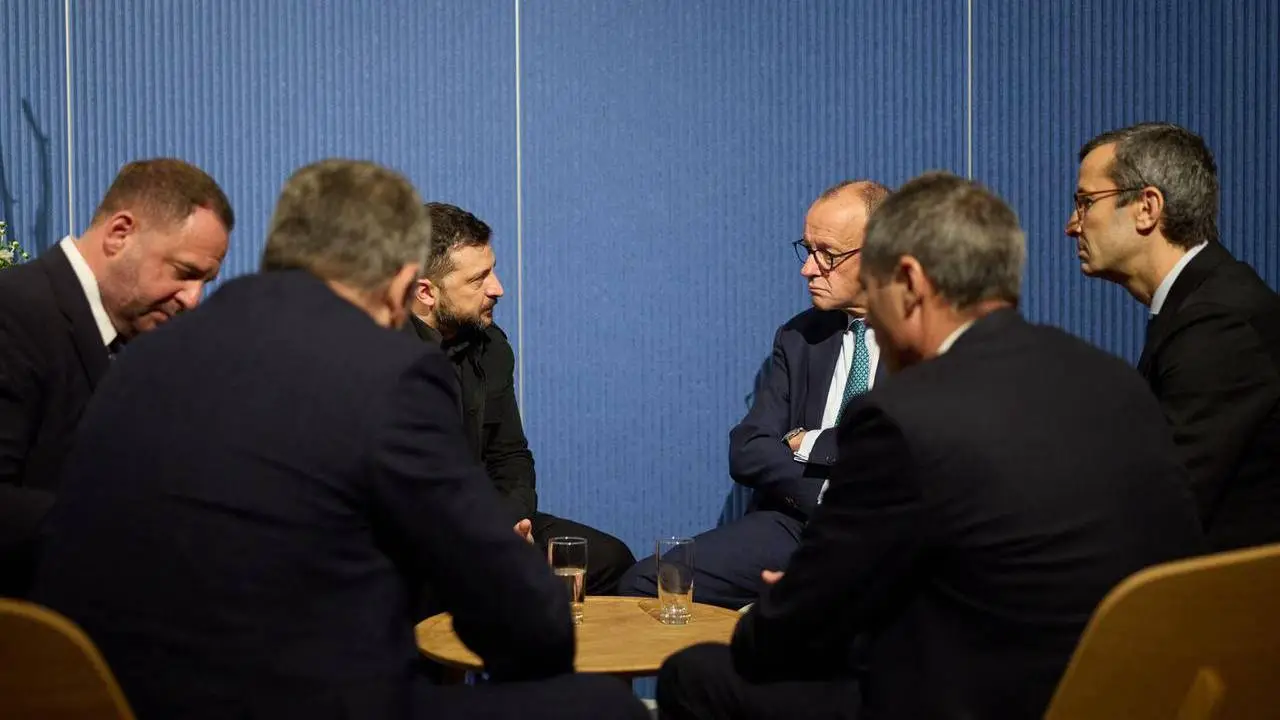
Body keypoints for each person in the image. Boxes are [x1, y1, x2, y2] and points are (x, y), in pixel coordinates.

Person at [31, 160, 647, 720]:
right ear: (404, 281)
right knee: (602, 707)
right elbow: (525, 621)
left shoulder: (141, 358)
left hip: (109, 696)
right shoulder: (391, 373)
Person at [657, 172, 1205, 720]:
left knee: (697, 674)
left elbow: (784, 634)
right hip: (1126, 696)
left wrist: (788, 602)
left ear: (910, 282)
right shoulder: (1116, 382)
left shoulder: (903, 416)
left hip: (973, 699)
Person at [619, 180, 890, 609]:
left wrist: (810, 441)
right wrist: (823, 494)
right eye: (808, 249)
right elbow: (748, 447)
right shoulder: (800, 336)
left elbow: (897, 447)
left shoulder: (926, 337)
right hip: (795, 524)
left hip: (887, 532)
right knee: (646, 584)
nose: (808, 269)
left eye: (828, 255)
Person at [0, 158, 233, 598]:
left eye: (206, 281)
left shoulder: (132, 343)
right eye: (185, 272)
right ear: (119, 234)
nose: (193, 299)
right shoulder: (13, 314)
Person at [1066, 122, 1280, 551]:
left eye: (1085, 202)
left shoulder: (1219, 324)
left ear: (1147, 207)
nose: (1073, 225)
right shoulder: (1201, 305)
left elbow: (1162, 505)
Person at [405, 201, 636, 596]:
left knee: (608, 559)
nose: (497, 288)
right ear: (426, 291)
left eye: (492, 270)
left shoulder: (490, 346)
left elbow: (510, 456)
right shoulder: (380, 358)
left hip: (486, 522)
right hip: (413, 538)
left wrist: (508, 523)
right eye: (478, 279)